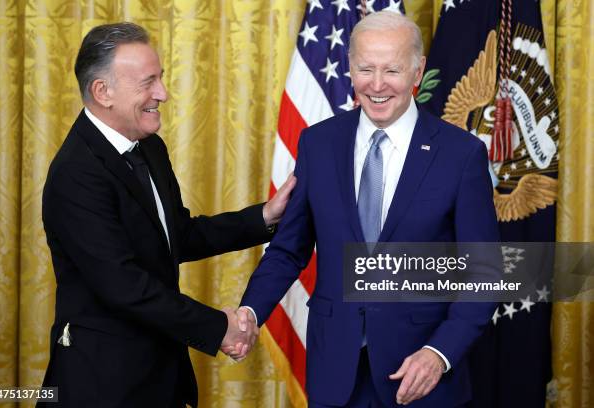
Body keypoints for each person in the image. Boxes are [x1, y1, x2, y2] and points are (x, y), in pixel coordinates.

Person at [237, 11, 500, 407]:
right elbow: (289, 249)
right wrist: (250, 313)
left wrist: (439, 354)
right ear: (349, 69)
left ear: (417, 72)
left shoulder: (461, 155)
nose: (377, 85)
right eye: (365, 69)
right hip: (335, 369)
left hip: (420, 372)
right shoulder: (317, 144)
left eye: (392, 70)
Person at [38, 22, 294, 408]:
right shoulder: (76, 174)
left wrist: (264, 216)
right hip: (103, 384)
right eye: (148, 82)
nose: (164, 93)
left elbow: (178, 234)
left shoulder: (149, 147)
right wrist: (218, 327)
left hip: (159, 372)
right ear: (102, 92)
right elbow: (124, 286)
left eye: (161, 78)